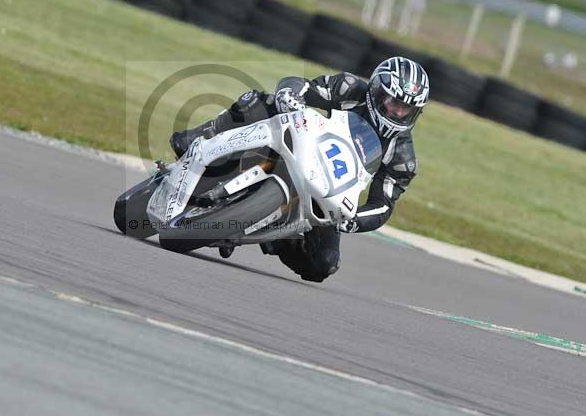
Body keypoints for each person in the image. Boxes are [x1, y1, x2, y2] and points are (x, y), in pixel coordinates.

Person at [169, 57, 430, 282]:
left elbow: (383, 205)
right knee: (263, 102)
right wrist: (290, 96)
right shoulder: (350, 88)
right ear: (376, 91)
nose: (397, 112)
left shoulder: (402, 158)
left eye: (406, 108)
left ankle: (274, 235)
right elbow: (304, 86)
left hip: (327, 190)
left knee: (324, 264)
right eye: (393, 102)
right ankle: (203, 135)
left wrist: (354, 221)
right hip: (302, 146)